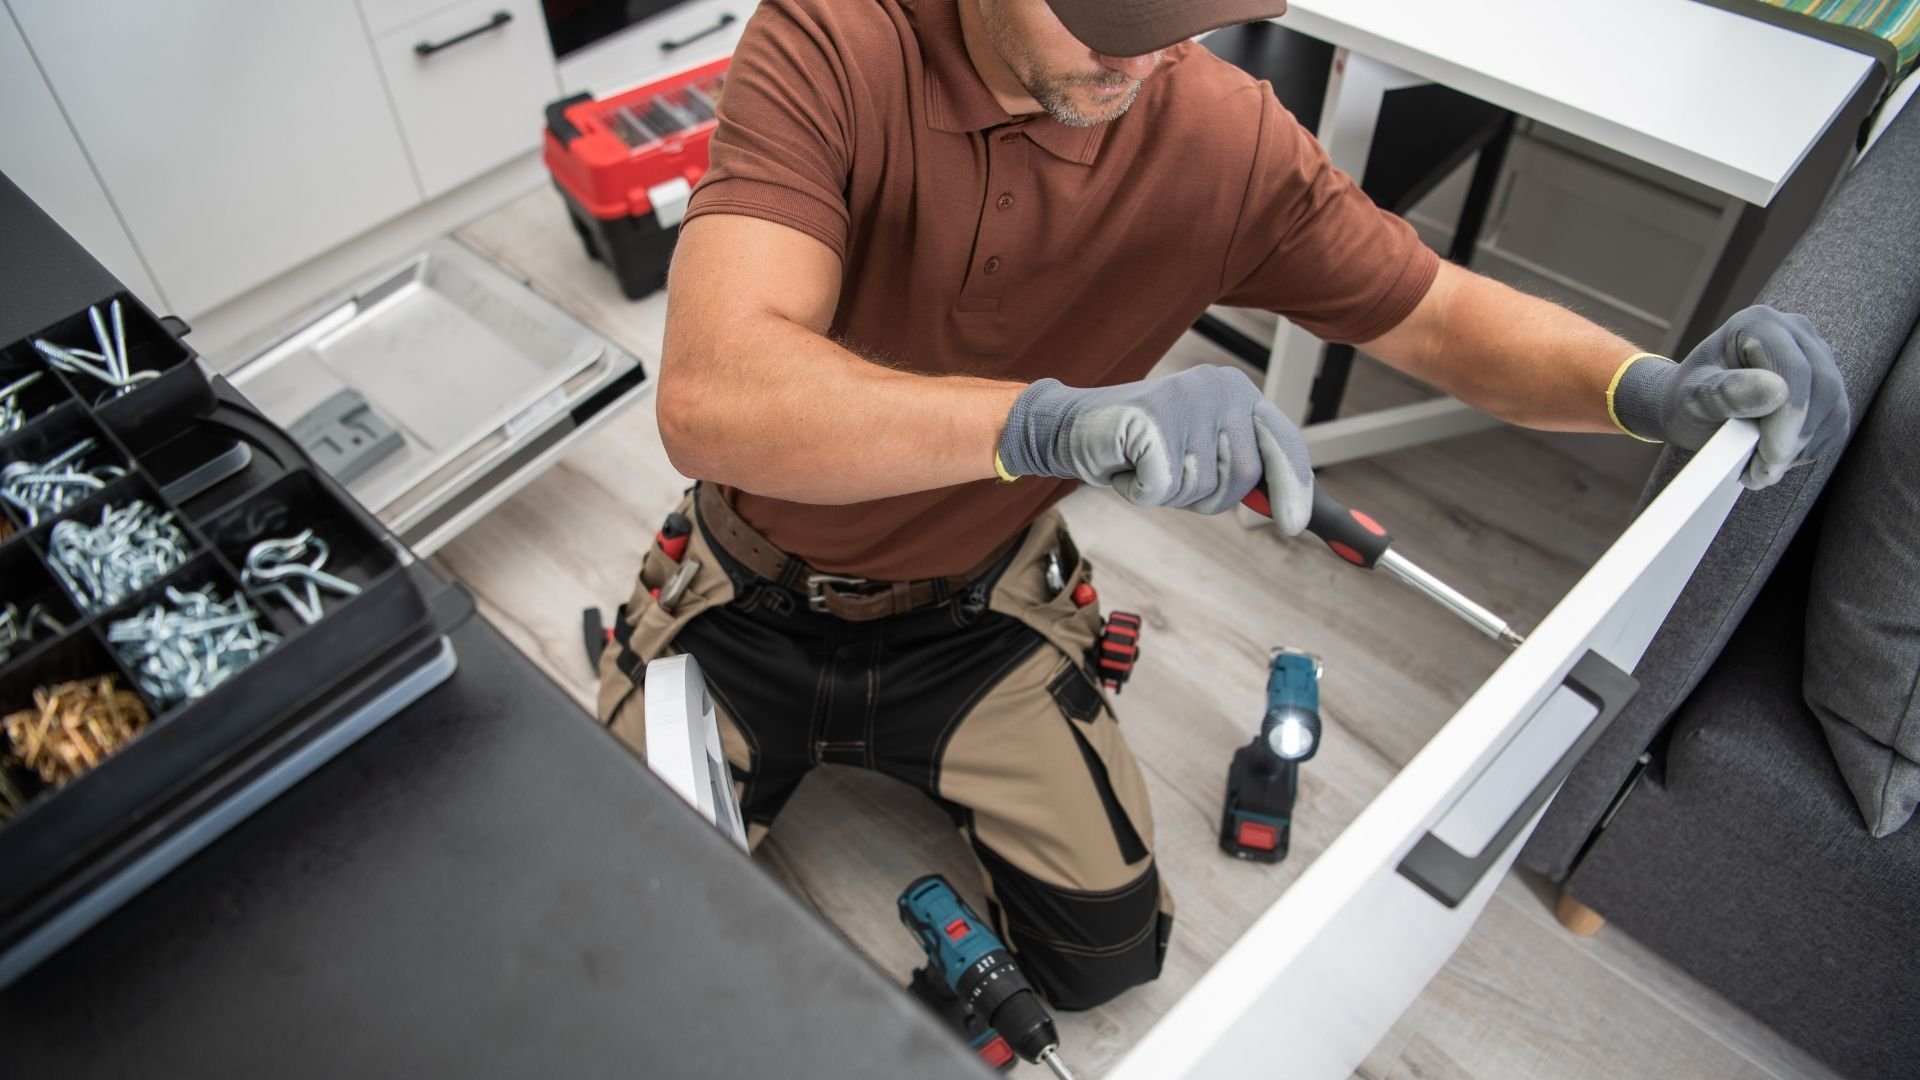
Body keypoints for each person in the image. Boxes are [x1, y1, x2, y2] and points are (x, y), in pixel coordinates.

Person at [595, 0, 1848, 1011]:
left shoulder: (1221, 135)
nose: (1146, 52)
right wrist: (1042, 420)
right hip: (754, 585)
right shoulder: (833, 38)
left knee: (1101, 963)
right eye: (1106, 16)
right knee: (616, 922)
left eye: (1185, 16)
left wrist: (1643, 388)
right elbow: (715, 394)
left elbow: (1439, 316)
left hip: (971, 609)